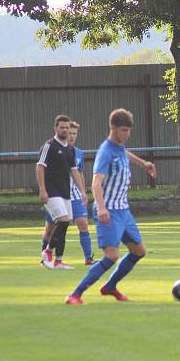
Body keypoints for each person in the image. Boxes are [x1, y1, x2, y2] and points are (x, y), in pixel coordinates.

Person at [66, 109, 157, 304]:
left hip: (123, 210)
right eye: (123, 130)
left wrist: (143, 163)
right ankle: (76, 293)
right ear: (113, 128)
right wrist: (102, 207)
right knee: (112, 255)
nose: (127, 134)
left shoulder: (119, 148)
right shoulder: (105, 152)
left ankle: (110, 286)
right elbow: (96, 182)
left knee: (139, 251)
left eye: (129, 130)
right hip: (109, 211)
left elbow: (125, 153)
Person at [40, 120, 95, 266]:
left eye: (74, 133)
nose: (71, 136)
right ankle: (45, 256)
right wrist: (43, 189)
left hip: (74, 194)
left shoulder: (78, 153)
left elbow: (78, 172)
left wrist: (83, 191)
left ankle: (88, 258)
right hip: (55, 193)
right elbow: (41, 167)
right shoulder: (51, 147)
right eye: (69, 132)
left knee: (82, 223)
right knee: (51, 228)